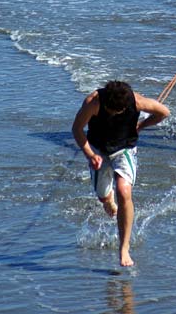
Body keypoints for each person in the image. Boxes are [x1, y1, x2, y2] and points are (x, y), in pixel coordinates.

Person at [72, 80, 170, 267]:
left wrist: (141, 125)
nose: (113, 114)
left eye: (117, 111)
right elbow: (77, 129)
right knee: (103, 196)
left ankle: (124, 248)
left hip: (124, 149)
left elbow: (164, 112)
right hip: (98, 150)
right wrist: (90, 155)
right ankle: (108, 201)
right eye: (110, 110)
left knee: (124, 191)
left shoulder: (137, 101)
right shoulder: (93, 102)